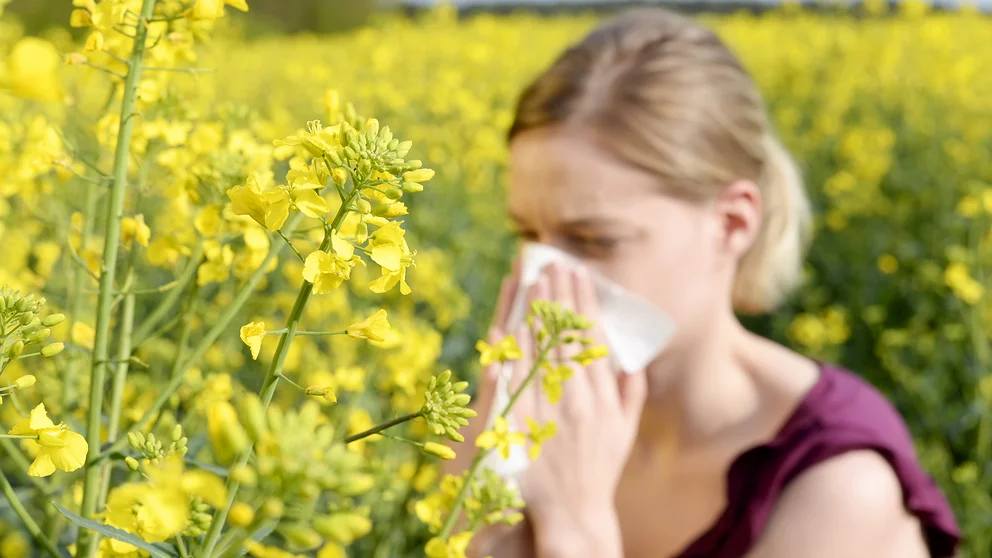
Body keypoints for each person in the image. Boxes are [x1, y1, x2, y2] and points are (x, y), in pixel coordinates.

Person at [442, 7, 961, 558]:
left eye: (595, 240)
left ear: (732, 224)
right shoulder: (542, 422)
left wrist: (575, 527)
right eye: (527, 234)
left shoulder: (838, 485)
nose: (544, 276)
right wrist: (489, 511)